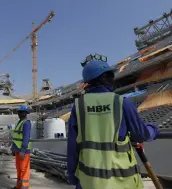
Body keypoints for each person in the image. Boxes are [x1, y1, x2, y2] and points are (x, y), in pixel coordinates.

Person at [67, 60, 159, 189]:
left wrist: (72, 175)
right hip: (122, 181)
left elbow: (72, 146)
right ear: (103, 79)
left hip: (89, 181)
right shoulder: (121, 102)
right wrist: (153, 129)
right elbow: (141, 135)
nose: (112, 79)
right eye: (110, 76)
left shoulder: (78, 106)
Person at [11, 105, 32, 189]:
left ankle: (24, 186)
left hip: (23, 151)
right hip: (17, 150)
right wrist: (13, 149)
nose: (19, 114)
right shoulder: (19, 122)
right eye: (18, 112)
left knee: (24, 169)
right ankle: (18, 186)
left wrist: (23, 150)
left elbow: (26, 138)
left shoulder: (26, 123)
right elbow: (15, 136)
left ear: (25, 113)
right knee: (19, 168)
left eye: (21, 112)